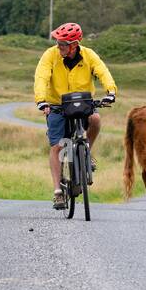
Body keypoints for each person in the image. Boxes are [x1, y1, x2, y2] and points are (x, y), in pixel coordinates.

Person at [33, 23, 117, 209]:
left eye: (63, 44)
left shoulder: (88, 55)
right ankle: (57, 192)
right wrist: (41, 100)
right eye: (58, 42)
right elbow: (41, 77)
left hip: (83, 102)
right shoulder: (50, 55)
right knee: (57, 146)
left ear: (74, 44)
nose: (59, 46)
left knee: (95, 119)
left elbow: (102, 71)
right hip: (57, 105)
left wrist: (110, 91)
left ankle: (87, 150)